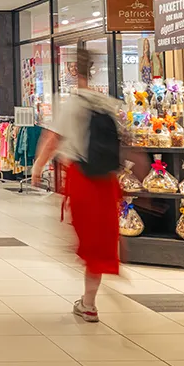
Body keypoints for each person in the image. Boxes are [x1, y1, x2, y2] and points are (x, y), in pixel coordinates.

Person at [31, 47, 144, 323]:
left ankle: (89, 303)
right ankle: (91, 296)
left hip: (82, 179)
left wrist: (37, 168)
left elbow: (52, 139)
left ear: (74, 72)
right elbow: (127, 143)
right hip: (107, 181)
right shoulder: (107, 103)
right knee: (102, 237)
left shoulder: (71, 104)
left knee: (88, 242)